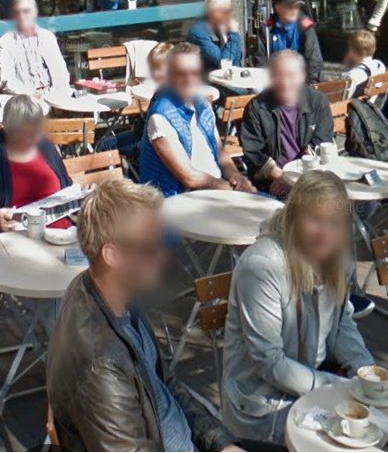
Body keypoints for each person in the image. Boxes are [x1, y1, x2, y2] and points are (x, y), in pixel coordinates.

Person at [47, 179, 244, 453]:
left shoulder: (118, 297)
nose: (164, 257)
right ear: (113, 255)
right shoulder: (100, 367)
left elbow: (164, 384)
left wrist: (220, 443)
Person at [222, 172, 374, 448]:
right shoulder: (262, 266)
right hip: (263, 408)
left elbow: (341, 323)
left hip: (310, 389)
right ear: (293, 217)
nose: (325, 232)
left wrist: (365, 373)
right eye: (315, 219)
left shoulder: (336, 258)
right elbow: (269, 362)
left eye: (334, 223)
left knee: (376, 427)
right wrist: (335, 388)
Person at [139, 43, 255, 196]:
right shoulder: (160, 116)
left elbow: (221, 153)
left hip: (215, 192)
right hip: (180, 201)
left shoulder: (203, 105)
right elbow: (189, 177)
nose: (188, 79)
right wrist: (233, 189)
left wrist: (237, 177)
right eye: (181, 73)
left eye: (193, 72)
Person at [0, 94, 72, 232]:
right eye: (28, 134)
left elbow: (66, 186)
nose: (36, 138)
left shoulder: (44, 145)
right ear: (9, 130)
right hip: (14, 240)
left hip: (62, 235)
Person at [241, 51, 335, 198]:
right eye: (279, 75)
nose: (285, 82)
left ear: (302, 76)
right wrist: (281, 177)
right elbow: (254, 152)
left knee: (364, 206)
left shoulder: (318, 102)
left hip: (310, 177)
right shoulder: (257, 107)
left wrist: (300, 180)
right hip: (272, 180)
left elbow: (321, 142)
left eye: (291, 76)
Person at [0, 0, 70, 95]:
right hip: (25, 101)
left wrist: (59, 94)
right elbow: (6, 82)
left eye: (26, 11)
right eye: (17, 12)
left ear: (35, 12)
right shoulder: (5, 43)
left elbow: (60, 71)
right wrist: (33, 95)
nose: (22, 16)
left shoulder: (47, 37)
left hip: (53, 96)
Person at [255, 0, 324, 84]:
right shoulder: (266, 29)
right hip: (274, 81)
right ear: (277, 8)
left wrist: (309, 85)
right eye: (289, 7)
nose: (294, 10)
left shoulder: (306, 28)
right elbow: (260, 59)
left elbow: (314, 59)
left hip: (301, 81)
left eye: (296, 7)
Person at [188, 0, 243, 71]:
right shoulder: (199, 32)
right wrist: (233, 35)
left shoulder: (229, 28)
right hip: (207, 79)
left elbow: (236, 62)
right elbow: (224, 63)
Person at [342, 29, 386, 99]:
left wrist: (347, 67)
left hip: (352, 108)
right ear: (374, 49)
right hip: (369, 106)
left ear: (351, 51)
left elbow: (342, 99)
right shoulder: (380, 66)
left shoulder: (352, 75)